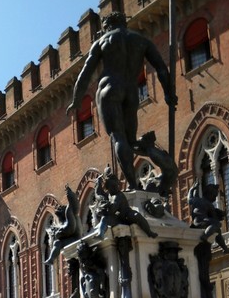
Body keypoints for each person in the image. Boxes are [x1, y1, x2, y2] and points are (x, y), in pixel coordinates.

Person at [67, 11, 177, 191]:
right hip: (131, 91)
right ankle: (151, 151)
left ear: (107, 26)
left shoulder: (102, 42)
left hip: (109, 88)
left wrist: (76, 101)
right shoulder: (141, 40)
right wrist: (168, 93)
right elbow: (161, 68)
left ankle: (133, 186)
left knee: (118, 137)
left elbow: (85, 75)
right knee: (131, 141)